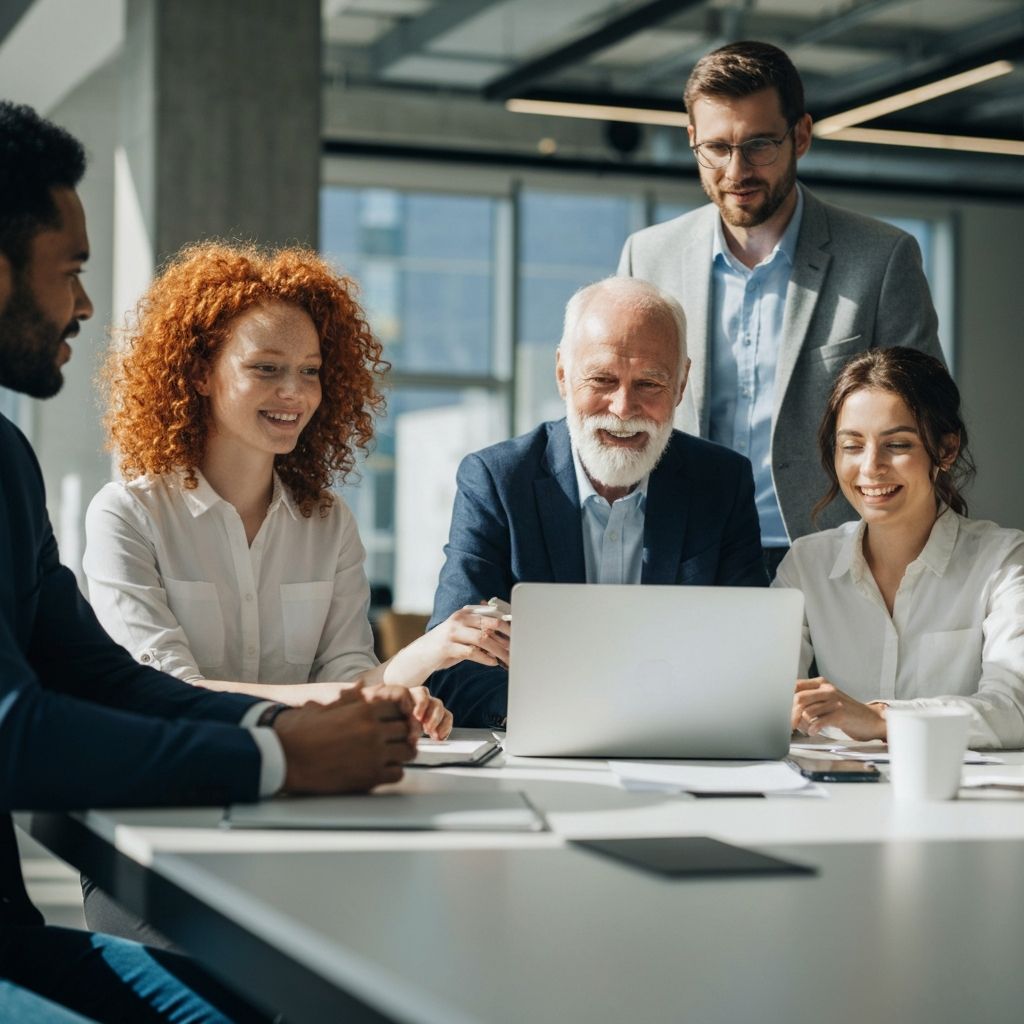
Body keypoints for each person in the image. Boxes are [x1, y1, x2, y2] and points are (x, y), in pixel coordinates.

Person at [0, 101, 418, 1023]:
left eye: (308, 372)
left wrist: (275, 720)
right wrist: (276, 760)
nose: (84, 304)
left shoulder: (7, 456)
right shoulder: (123, 506)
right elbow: (16, 733)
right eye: (69, 270)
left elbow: (97, 675)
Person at [84, 242, 507, 732]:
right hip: (176, 787)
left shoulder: (329, 524)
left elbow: (349, 679)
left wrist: (422, 664)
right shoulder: (127, 515)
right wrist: (359, 699)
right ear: (201, 373)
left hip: (308, 781)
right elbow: (167, 691)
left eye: (310, 371)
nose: (294, 391)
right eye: (266, 368)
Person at [617, 40, 945, 571]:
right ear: (693, 140)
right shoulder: (648, 256)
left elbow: (924, 419)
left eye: (759, 145)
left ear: (801, 135)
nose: (736, 170)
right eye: (717, 148)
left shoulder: (882, 258)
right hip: (685, 551)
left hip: (832, 551)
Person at [428, 276, 767, 728]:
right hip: (542, 751)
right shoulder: (496, 480)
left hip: (676, 748)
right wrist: (580, 715)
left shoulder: (722, 483)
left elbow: (748, 657)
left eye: (649, 383)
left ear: (682, 384)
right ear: (563, 375)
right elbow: (451, 666)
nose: (624, 408)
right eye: (602, 379)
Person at [775, 347, 1024, 749]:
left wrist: (877, 717)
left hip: (958, 799)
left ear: (946, 449)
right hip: (837, 796)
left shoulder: (1004, 561)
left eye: (898, 445)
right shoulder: (806, 564)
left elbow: (1015, 709)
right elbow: (767, 702)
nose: (871, 467)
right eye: (852, 446)